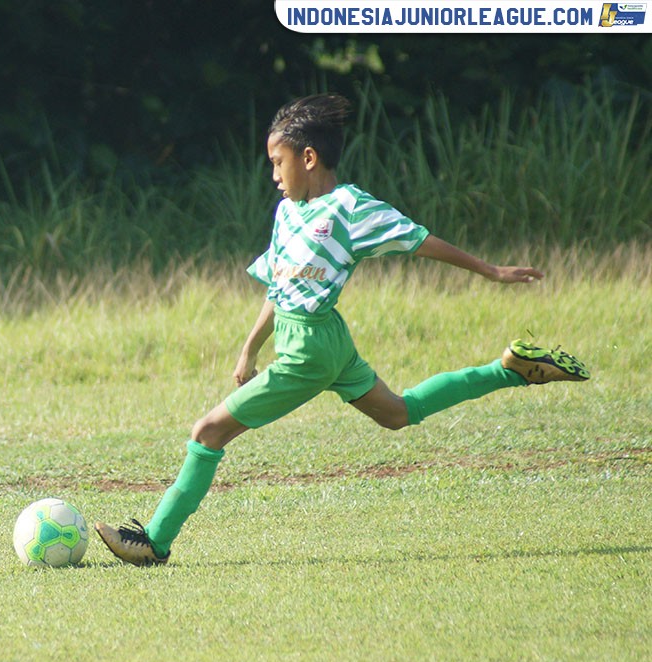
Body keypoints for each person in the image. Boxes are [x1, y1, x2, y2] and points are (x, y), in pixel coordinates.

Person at [94, 93, 590, 566]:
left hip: (310, 350)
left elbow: (418, 240)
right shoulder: (287, 213)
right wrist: (250, 348)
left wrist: (490, 271)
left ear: (308, 158)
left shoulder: (350, 207)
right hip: (324, 340)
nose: (274, 175)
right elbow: (279, 286)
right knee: (397, 413)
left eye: (278, 163)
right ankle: (512, 370)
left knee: (208, 432)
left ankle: (155, 541)